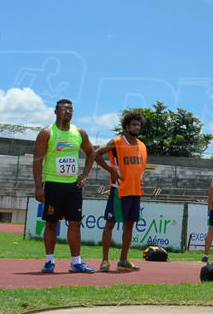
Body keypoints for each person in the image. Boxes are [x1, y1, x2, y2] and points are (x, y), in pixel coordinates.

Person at [32, 99, 98, 273]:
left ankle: (76, 262)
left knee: (75, 223)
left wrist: (84, 175)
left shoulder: (79, 133)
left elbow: (91, 153)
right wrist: (39, 187)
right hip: (53, 184)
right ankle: (49, 261)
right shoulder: (47, 133)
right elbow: (37, 161)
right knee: (51, 223)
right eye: (63, 109)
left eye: (70, 109)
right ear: (55, 112)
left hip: (73, 185)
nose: (67, 112)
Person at [92, 111, 148, 272]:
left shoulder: (142, 146)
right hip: (119, 190)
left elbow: (141, 166)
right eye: (133, 125)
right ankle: (104, 260)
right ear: (126, 126)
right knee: (110, 223)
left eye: (138, 125)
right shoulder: (117, 142)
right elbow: (96, 154)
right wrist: (110, 170)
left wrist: (141, 175)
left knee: (130, 225)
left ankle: (123, 260)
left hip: (135, 191)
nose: (136, 127)